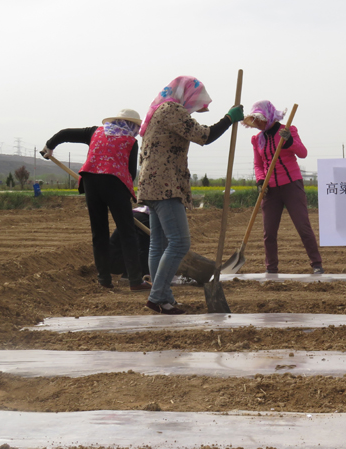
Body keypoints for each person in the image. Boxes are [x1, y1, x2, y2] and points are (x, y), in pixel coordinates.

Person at [138, 76, 244, 315]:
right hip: (166, 186)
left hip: (152, 186)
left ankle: (163, 297)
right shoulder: (171, 110)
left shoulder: (157, 111)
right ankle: (157, 298)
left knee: (160, 244)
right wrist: (229, 119)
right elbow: (203, 135)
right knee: (179, 242)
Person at [42, 109, 151, 292]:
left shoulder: (95, 131)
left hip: (91, 182)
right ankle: (135, 280)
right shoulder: (131, 141)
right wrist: (124, 194)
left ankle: (104, 279)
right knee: (127, 232)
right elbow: (131, 172)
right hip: (115, 184)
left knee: (99, 232)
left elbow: (65, 133)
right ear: (132, 125)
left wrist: (49, 146)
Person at [243, 100, 323, 274]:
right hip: (270, 189)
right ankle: (271, 268)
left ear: (268, 117)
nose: (257, 125)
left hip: (291, 185)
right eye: (254, 122)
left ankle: (316, 264)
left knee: (303, 226)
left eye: (259, 120)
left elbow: (303, 153)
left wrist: (290, 142)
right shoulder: (257, 139)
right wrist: (260, 180)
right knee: (269, 232)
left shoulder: (287, 131)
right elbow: (258, 164)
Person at [109, 205, 151, 278]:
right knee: (147, 247)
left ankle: (130, 274)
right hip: (114, 262)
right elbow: (144, 250)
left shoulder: (139, 214)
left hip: (108, 260)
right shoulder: (145, 220)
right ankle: (137, 275)